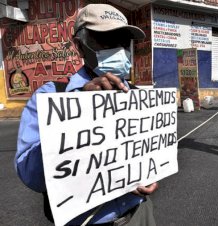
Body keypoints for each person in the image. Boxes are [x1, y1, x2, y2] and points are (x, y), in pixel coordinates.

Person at [15, 4, 158, 225]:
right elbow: (31, 176)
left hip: (138, 214)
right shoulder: (49, 97)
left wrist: (149, 175)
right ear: (80, 46)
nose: (119, 50)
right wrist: (77, 112)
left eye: (123, 41)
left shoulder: (137, 96)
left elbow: (148, 154)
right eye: (106, 40)